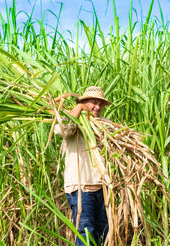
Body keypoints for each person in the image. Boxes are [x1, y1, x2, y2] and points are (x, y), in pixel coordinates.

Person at [54, 86, 112, 245]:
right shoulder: (74, 121)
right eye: (94, 102)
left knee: (103, 234)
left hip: (102, 188)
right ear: (84, 103)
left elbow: (118, 137)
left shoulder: (102, 124)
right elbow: (61, 130)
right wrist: (78, 108)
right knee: (86, 232)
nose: (98, 107)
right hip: (80, 188)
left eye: (101, 104)